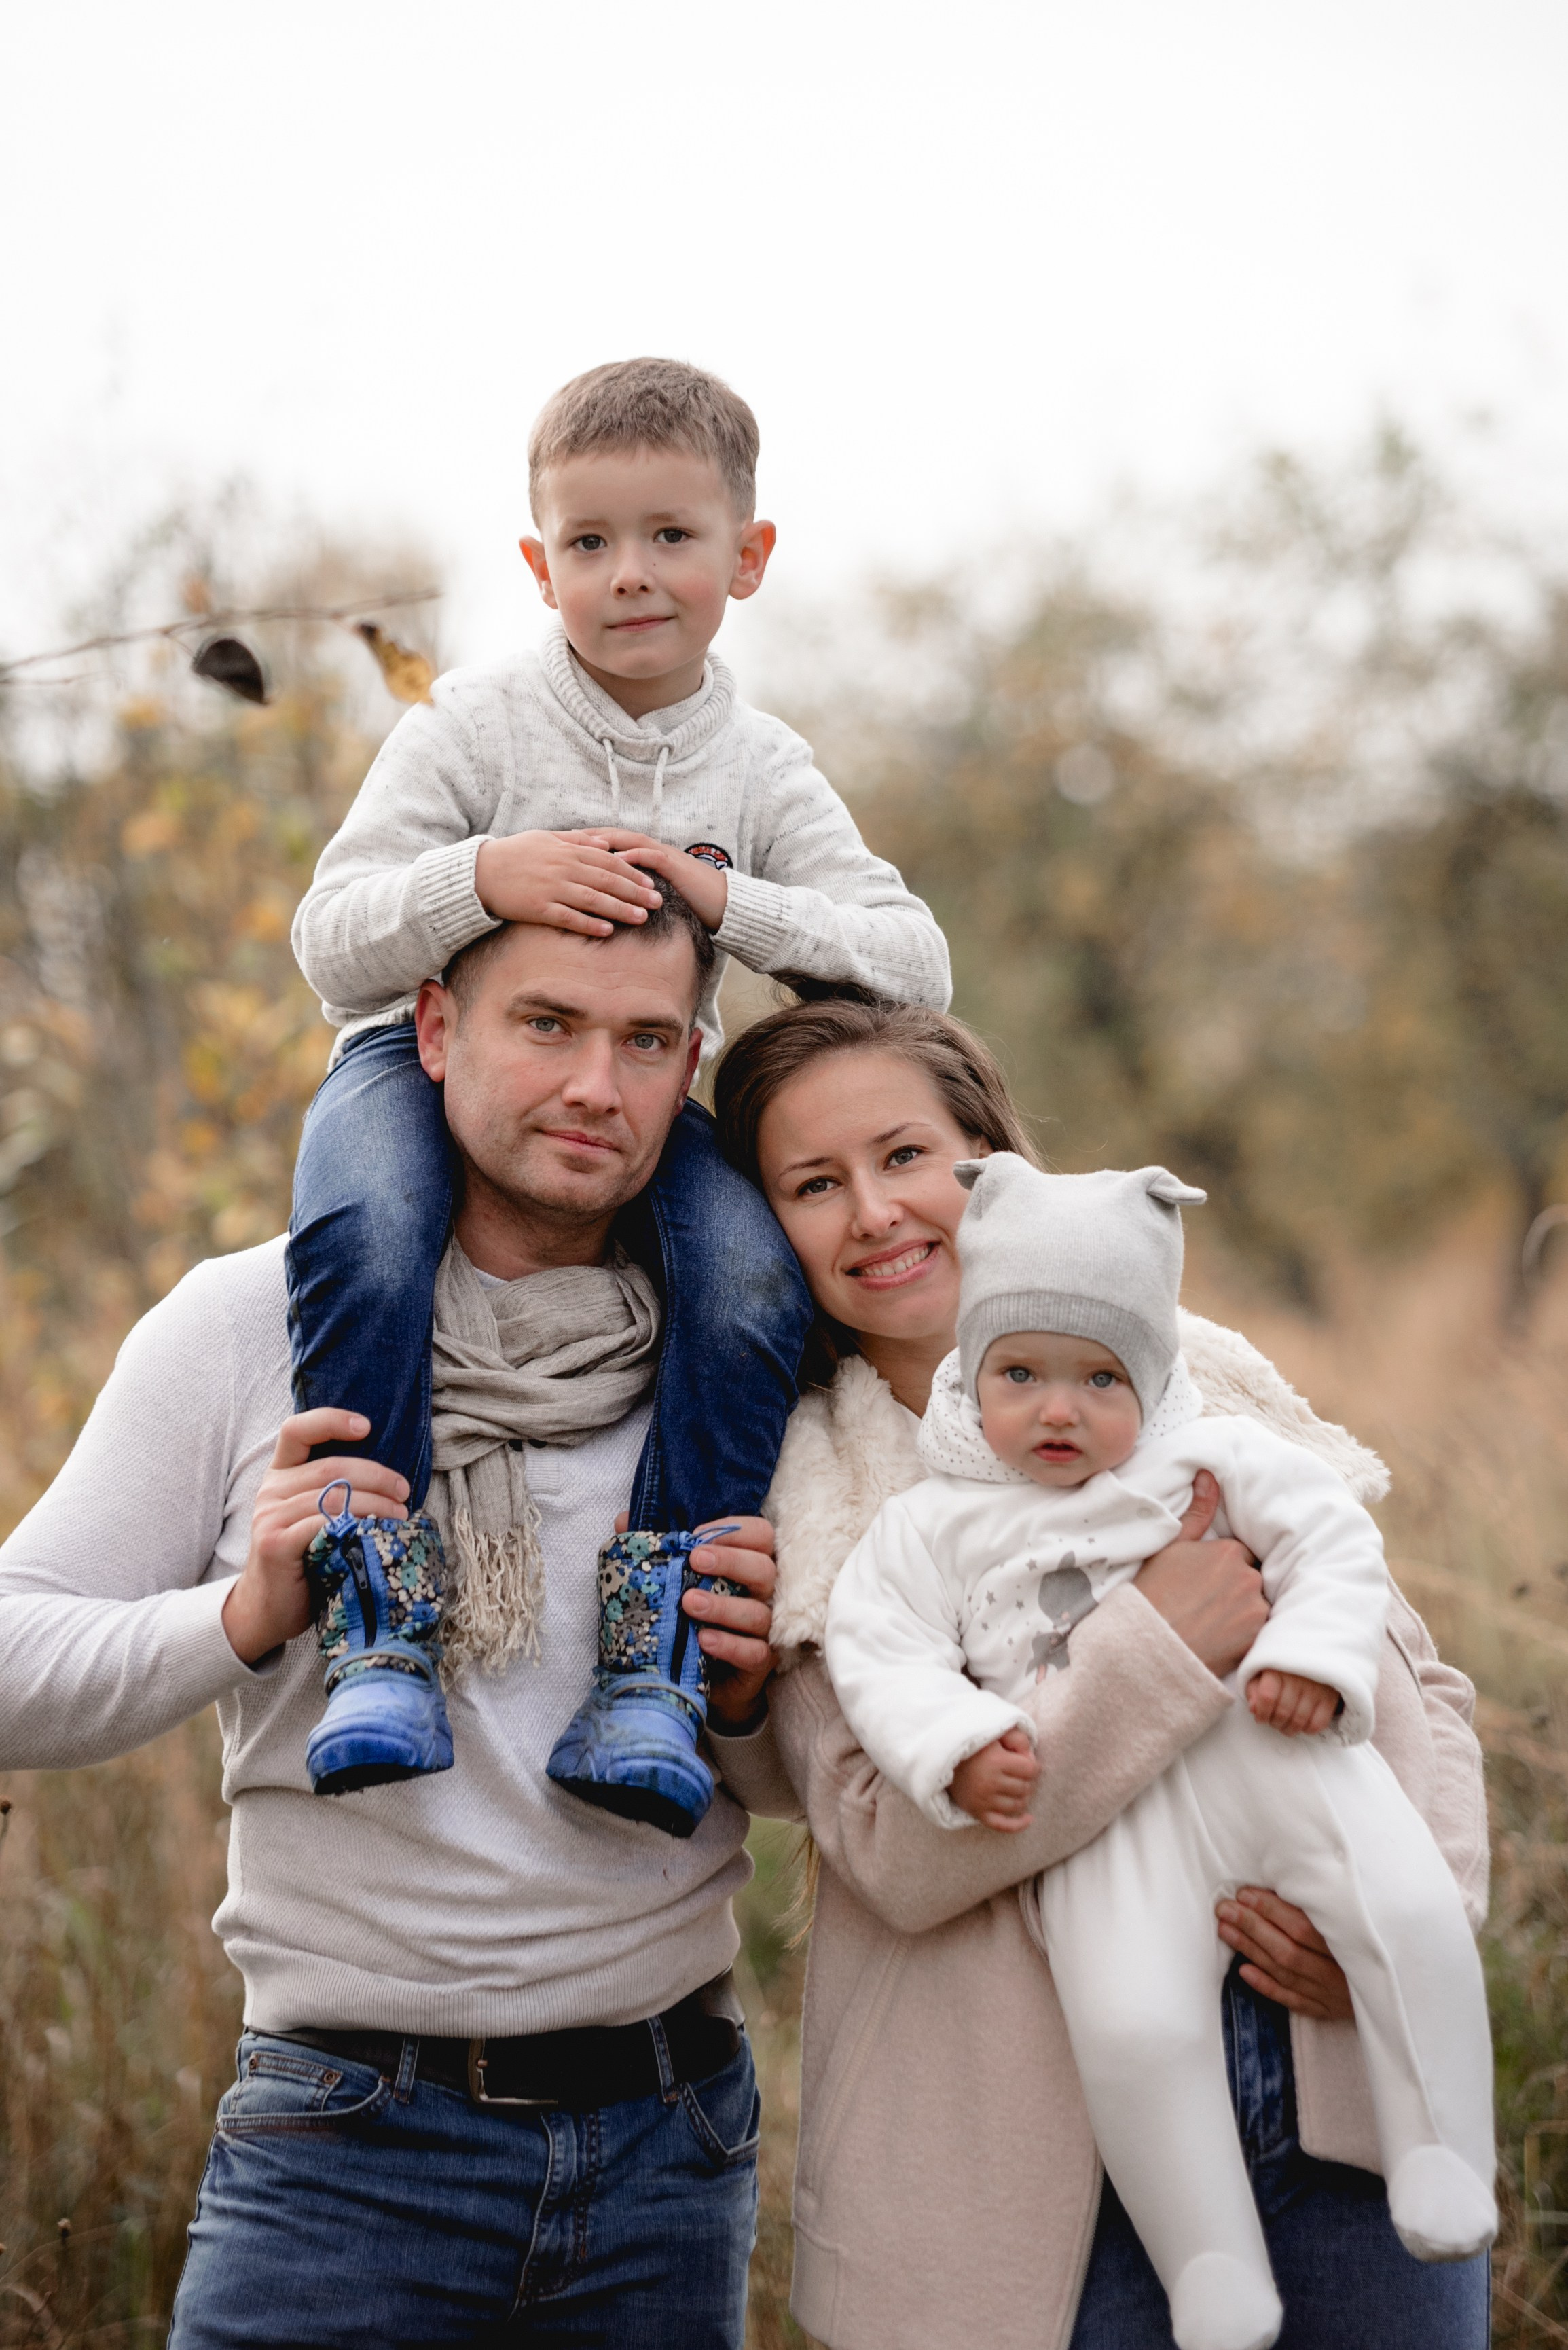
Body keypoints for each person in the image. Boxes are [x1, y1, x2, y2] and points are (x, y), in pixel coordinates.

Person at [0, 903, 793, 2350]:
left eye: (644, 1041)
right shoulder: (251, 1325)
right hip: (345, 2147)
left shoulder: (743, 1357)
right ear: (433, 1028)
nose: (595, 1087)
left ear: (692, 1064)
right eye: (546, 1023)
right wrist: (244, 1613)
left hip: (669, 2147)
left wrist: (741, 1701)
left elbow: (796, 1788)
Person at [710, 993, 1491, 2350]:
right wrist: (1159, 1649)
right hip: (1033, 2182)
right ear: (766, 1227)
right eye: (814, 1184)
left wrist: (1396, 1926)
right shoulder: (815, 1494)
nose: (876, 1212)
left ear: (990, 1164)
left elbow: (1420, 1684)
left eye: (905, 1155)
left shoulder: (1203, 1387)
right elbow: (894, 1846)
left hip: (1340, 2093)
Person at [285, 357, 949, 1794]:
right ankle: (380, 1621)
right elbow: (328, 941)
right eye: (589, 541)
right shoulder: (470, 728)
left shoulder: (760, 768)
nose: (630, 572)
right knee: (367, 1228)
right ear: (540, 568)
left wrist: (727, 903)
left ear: (747, 557)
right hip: (413, 1062)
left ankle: (653, 1660)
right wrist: (481, 878)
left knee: (754, 1276)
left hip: (638, 1089)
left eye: (670, 535)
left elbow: (914, 966)